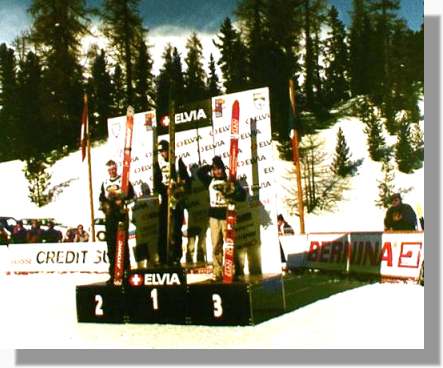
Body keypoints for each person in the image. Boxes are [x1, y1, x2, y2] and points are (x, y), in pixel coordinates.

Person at [197, 156, 246, 281]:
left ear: (223, 170)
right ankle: (217, 271)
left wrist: (234, 193)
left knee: (229, 245)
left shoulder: (230, 181)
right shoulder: (210, 181)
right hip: (214, 217)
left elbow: (242, 196)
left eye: (219, 169)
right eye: (215, 169)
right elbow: (199, 173)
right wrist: (209, 166)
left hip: (226, 216)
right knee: (216, 246)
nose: (217, 171)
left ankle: (232, 270)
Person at [153, 140, 190, 266]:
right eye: (161, 152)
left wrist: (179, 187)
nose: (163, 154)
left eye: (165, 150)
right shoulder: (159, 163)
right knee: (163, 229)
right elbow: (156, 183)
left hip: (177, 200)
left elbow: (187, 180)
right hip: (165, 200)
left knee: (175, 230)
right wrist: (165, 190)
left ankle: (176, 257)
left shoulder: (178, 161)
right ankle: (163, 257)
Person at [99, 159, 135, 284]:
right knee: (111, 246)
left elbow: (132, 196)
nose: (112, 171)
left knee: (122, 244)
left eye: (113, 169)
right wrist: (104, 207)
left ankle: (126, 272)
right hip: (110, 217)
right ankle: (113, 273)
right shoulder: (104, 183)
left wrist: (123, 201)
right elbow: (101, 199)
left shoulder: (123, 180)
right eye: (109, 170)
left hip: (121, 215)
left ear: (116, 168)